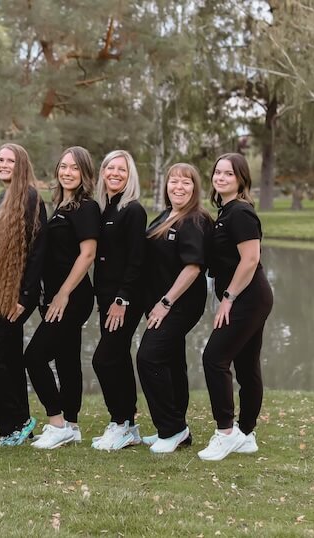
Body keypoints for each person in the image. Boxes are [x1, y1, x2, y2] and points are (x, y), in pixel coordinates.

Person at [198, 153, 273, 461]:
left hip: (247, 297)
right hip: (249, 296)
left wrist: (228, 298)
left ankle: (226, 433)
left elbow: (251, 259)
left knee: (214, 358)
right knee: (246, 365)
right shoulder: (226, 211)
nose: (221, 177)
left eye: (229, 173)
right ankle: (246, 435)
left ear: (241, 179)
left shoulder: (240, 212)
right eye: (218, 172)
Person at [25, 146, 100, 450]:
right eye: (64, 167)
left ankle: (57, 424)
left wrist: (63, 294)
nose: (68, 172)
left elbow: (88, 254)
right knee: (67, 359)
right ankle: (71, 424)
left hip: (72, 297)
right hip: (56, 296)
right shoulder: (60, 206)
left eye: (75, 168)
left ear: (85, 173)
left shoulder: (86, 207)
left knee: (34, 357)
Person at [0, 143, 47, 446]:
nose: (3, 164)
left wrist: (25, 298)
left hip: (16, 296)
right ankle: (21, 424)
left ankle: (12, 425)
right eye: (0, 159)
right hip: (0, 291)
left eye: (10, 160)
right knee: (9, 356)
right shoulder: (2, 198)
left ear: (22, 165)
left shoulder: (31, 198)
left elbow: (38, 252)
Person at [136, 163, 212, 453]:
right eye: (174, 182)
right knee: (171, 361)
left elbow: (193, 268)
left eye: (186, 182)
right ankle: (178, 429)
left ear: (195, 188)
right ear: (166, 185)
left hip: (179, 304)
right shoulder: (167, 215)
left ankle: (171, 429)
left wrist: (165, 303)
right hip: (161, 303)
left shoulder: (194, 219)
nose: (179, 187)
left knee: (148, 358)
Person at [91, 149, 147, 451]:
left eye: (121, 169)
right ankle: (129, 427)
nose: (115, 173)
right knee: (119, 357)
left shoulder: (133, 210)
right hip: (106, 296)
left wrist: (122, 299)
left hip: (124, 299)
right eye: (110, 168)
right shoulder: (104, 209)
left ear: (130, 176)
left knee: (104, 359)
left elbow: (137, 260)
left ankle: (120, 422)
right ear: (102, 172)